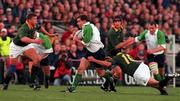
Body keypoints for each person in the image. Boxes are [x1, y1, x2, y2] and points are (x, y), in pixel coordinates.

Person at [67, 15, 116, 92]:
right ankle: (73, 88)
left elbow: (86, 43)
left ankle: (110, 78)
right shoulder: (87, 27)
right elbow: (82, 36)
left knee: (100, 73)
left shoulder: (88, 27)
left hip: (98, 52)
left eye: (79, 21)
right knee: (80, 68)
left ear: (84, 21)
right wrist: (76, 35)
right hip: (90, 51)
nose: (77, 23)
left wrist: (76, 39)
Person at [88, 52, 174, 95]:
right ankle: (162, 90)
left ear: (109, 57)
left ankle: (167, 78)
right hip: (142, 66)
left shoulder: (115, 59)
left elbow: (109, 64)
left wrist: (94, 60)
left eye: (107, 59)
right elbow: (116, 70)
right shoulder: (122, 54)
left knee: (154, 82)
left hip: (137, 72)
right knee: (149, 83)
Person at [1, 13, 47, 90]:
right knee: (12, 68)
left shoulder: (34, 25)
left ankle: (33, 81)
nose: (36, 20)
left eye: (36, 19)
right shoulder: (23, 28)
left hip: (26, 46)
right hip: (16, 47)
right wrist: (35, 41)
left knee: (37, 59)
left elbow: (40, 28)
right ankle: (6, 83)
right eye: (34, 19)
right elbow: (23, 39)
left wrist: (49, 34)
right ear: (29, 20)